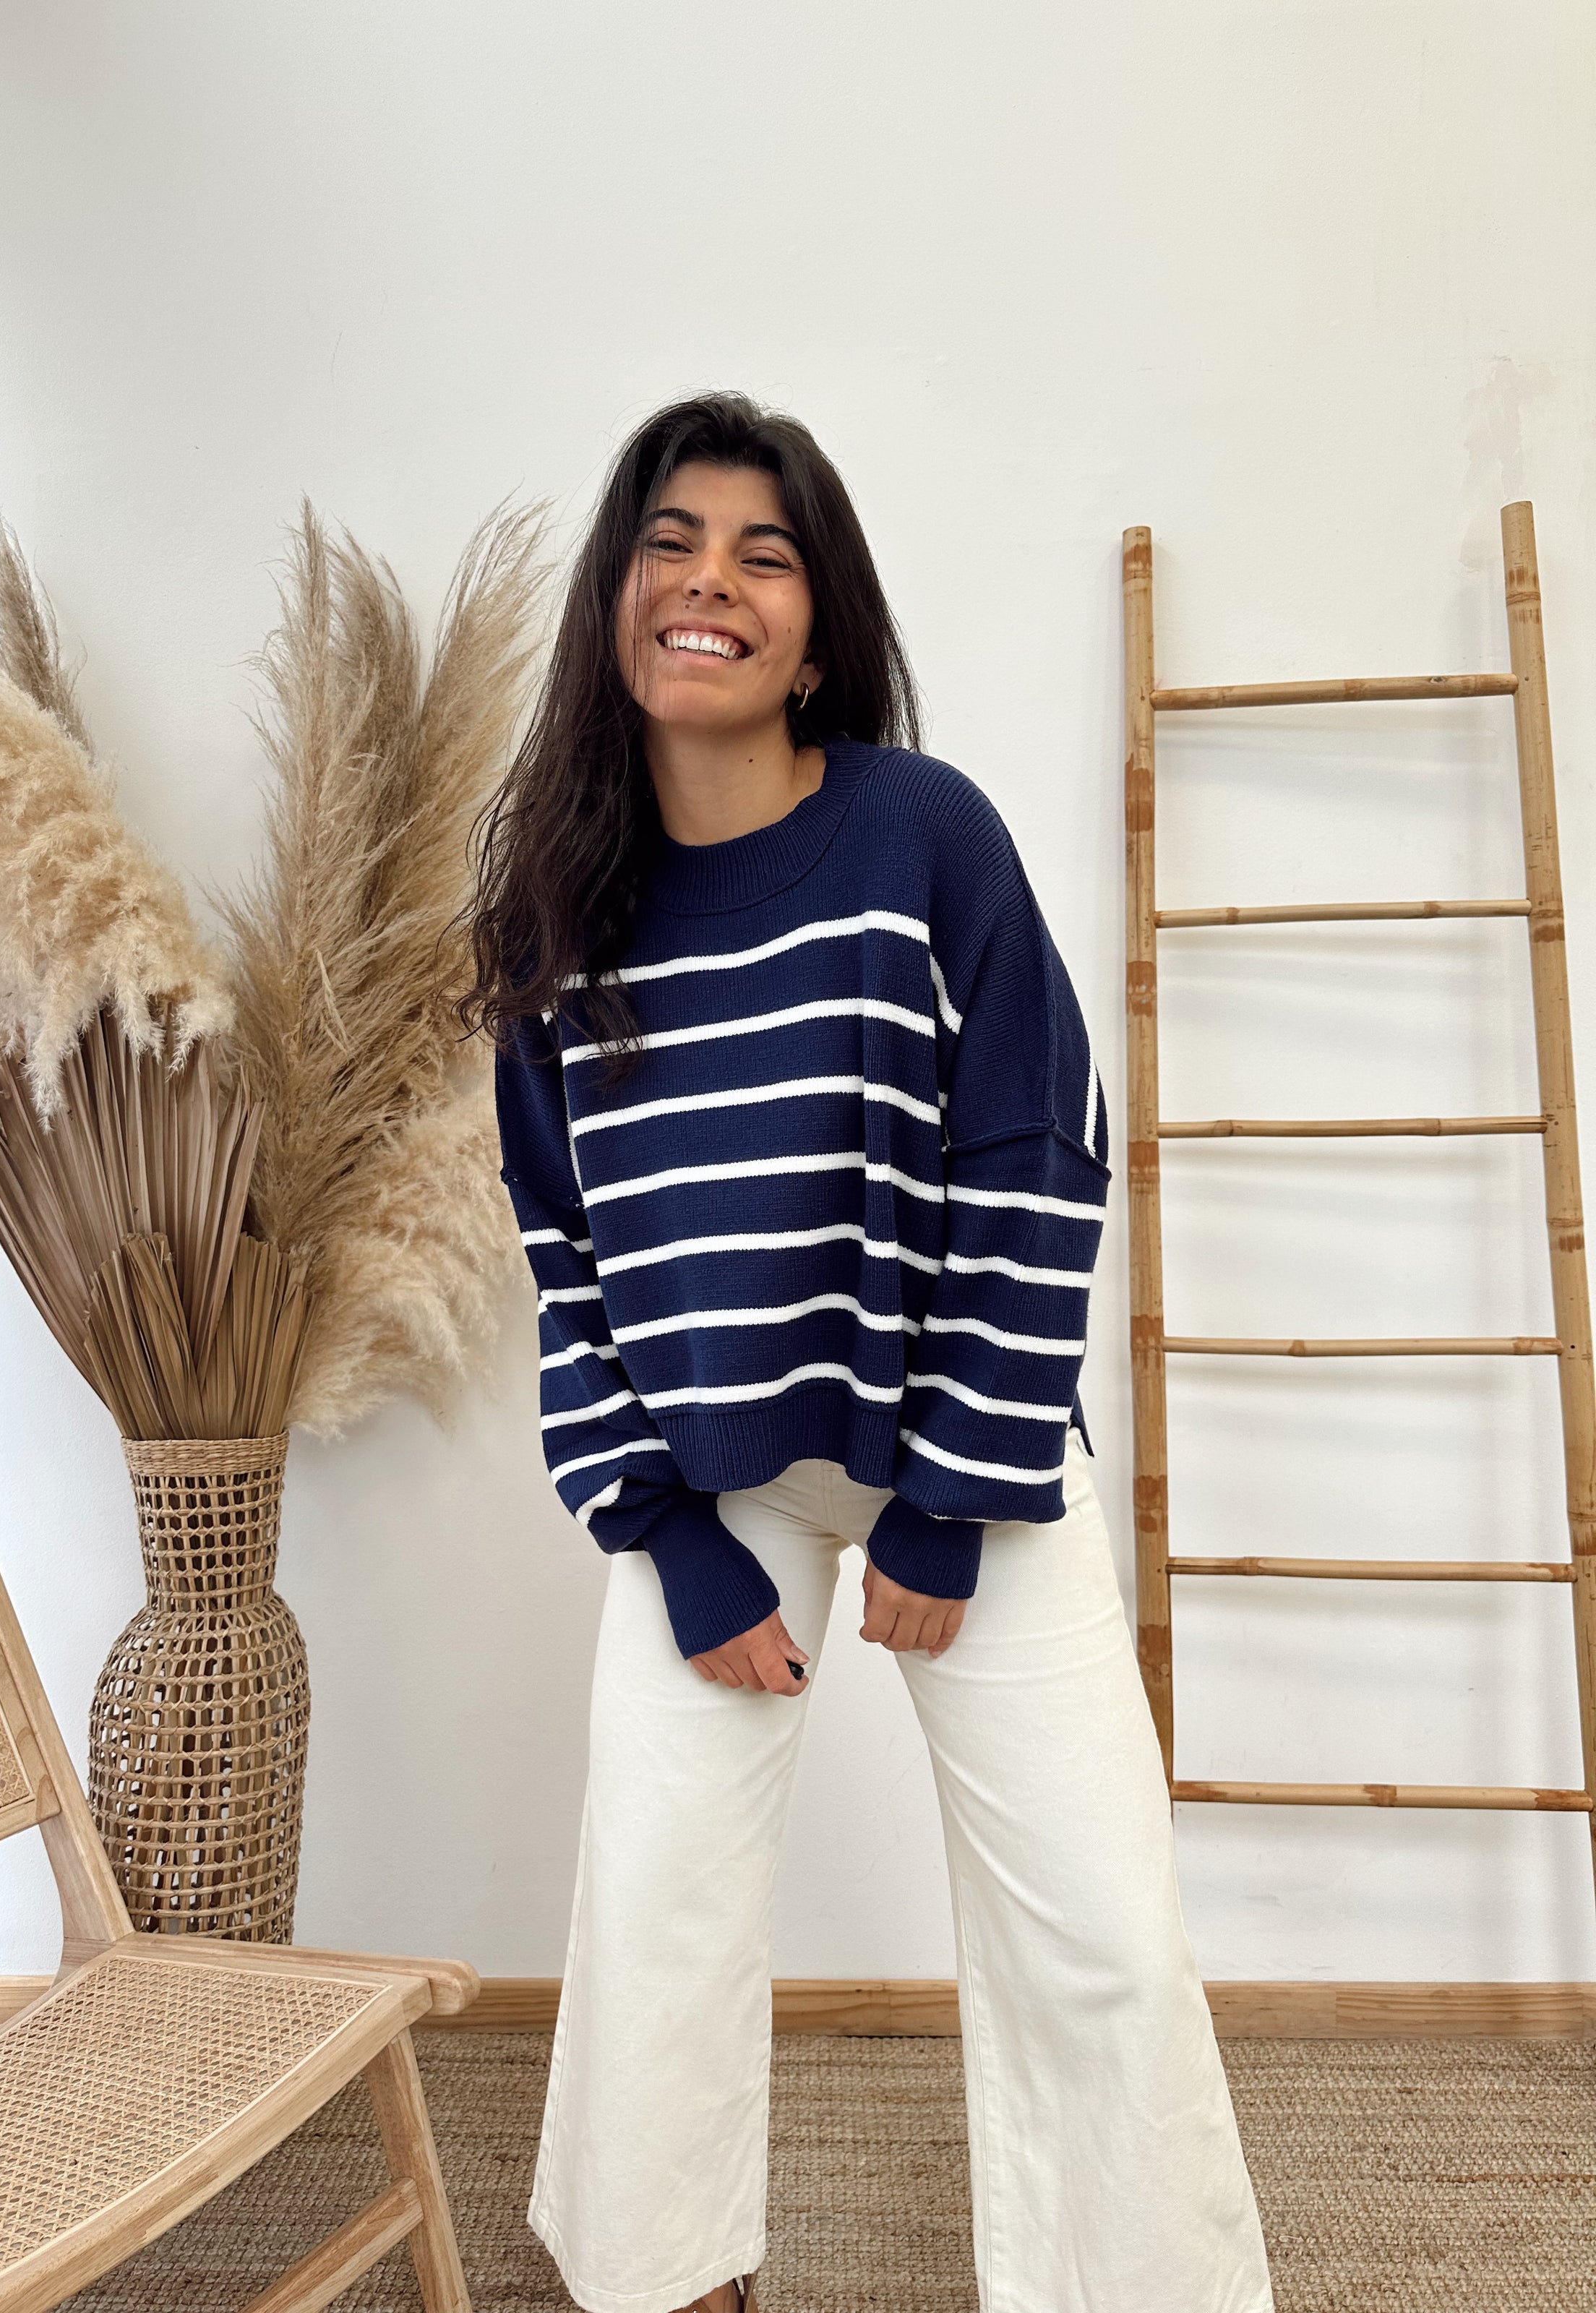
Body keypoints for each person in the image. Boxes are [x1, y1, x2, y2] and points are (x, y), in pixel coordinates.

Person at [460, 392, 1274, 2313]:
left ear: (817, 634)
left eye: (764, 555)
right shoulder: (561, 916)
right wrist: (665, 1534)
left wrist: (945, 1507)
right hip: (716, 1479)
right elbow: (562, 1253)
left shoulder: (921, 834)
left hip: (958, 1453)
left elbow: (1037, 1153)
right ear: (616, 603)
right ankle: (670, 2279)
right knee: (656, 1897)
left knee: (1100, 1932)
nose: (709, 584)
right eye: (671, 544)